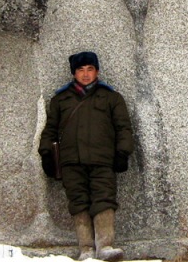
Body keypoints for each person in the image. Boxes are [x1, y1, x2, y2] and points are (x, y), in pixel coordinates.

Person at [39, 51, 134, 261]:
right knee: (78, 202)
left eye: (90, 69)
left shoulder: (111, 97)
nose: (85, 74)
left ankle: (105, 246)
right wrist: (46, 153)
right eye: (80, 70)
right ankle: (86, 249)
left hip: (103, 159)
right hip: (71, 161)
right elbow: (50, 129)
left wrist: (123, 152)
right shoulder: (60, 99)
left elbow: (124, 128)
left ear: (97, 71)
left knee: (104, 199)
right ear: (74, 73)